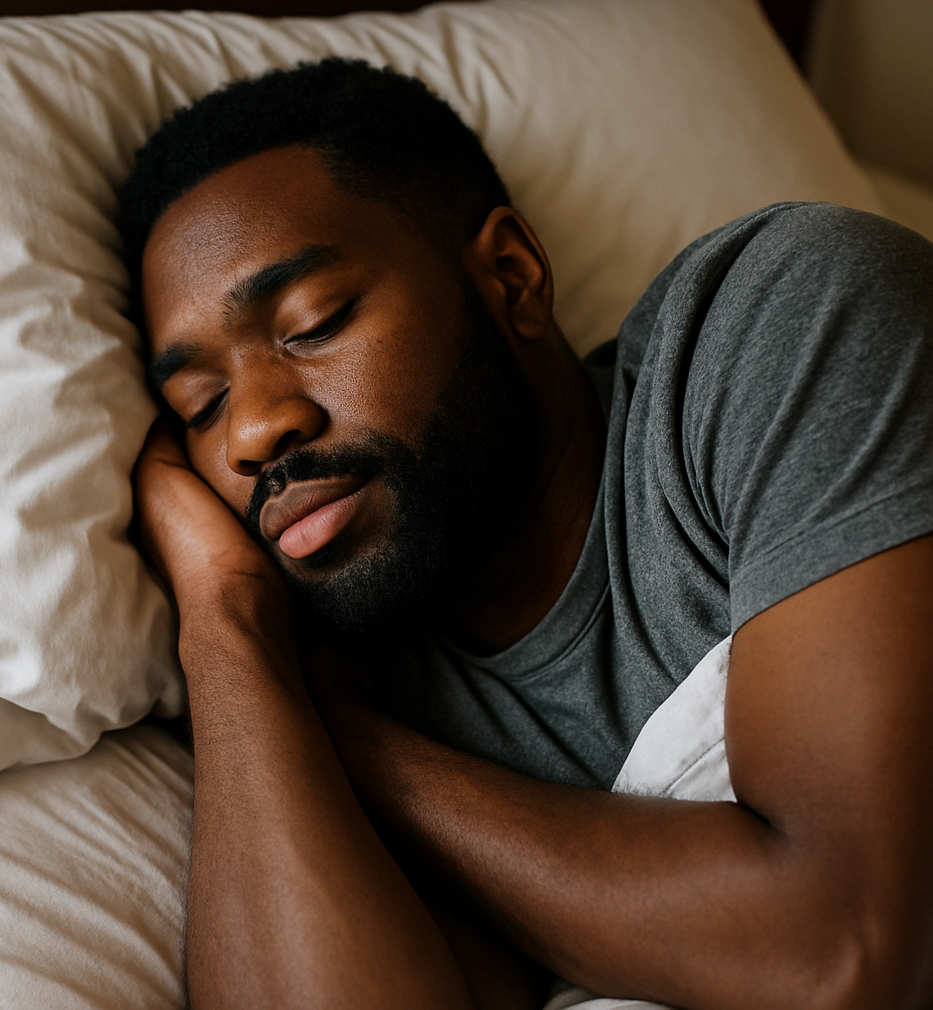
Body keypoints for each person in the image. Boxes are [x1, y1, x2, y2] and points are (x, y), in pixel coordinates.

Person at [120, 58, 933, 1010]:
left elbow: (847, 952)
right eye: (202, 404)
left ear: (511, 278)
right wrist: (225, 623)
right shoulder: (352, 669)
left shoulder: (776, 322)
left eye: (315, 322)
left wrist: (353, 745)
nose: (253, 432)